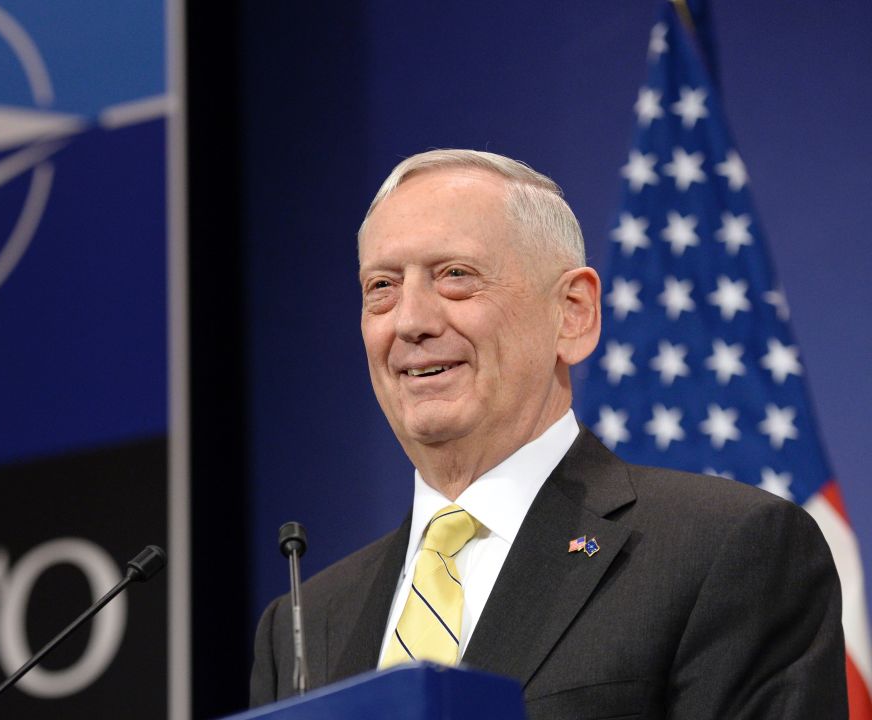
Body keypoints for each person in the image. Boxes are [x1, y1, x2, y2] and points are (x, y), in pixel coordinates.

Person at [249, 149, 846, 718]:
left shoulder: (724, 550)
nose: (410, 321)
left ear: (574, 313)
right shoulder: (306, 624)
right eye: (382, 286)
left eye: (455, 275)